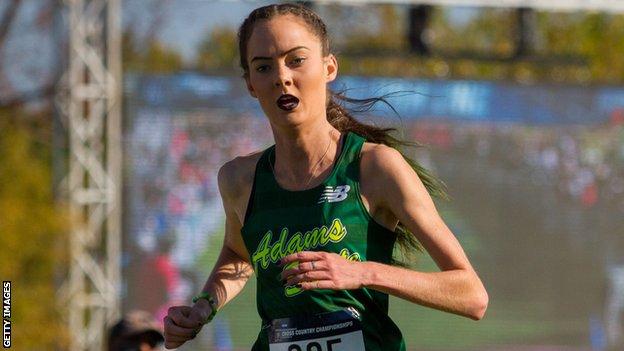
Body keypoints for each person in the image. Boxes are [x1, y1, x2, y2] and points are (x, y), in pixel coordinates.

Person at [163, 3, 488, 350]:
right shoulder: (238, 179)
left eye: (296, 60)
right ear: (251, 85)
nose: (282, 77)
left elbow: (471, 295)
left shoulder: (376, 167)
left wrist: (362, 272)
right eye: (263, 66)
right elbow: (238, 253)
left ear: (329, 67)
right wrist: (203, 307)